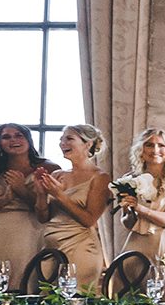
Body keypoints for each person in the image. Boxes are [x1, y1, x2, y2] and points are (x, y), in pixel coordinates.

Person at [0, 122, 58, 286]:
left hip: (33, 233)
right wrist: (4, 199)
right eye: (6, 137)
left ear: (28, 139)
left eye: (18, 135)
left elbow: (52, 211)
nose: (13, 140)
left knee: (28, 281)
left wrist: (22, 190)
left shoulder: (48, 168)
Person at [33, 123, 111, 287]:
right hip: (50, 247)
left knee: (75, 297)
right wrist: (41, 194)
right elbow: (43, 218)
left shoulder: (100, 177)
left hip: (80, 247)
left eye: (69, 139)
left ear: (88, 144)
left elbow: (89, 220)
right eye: (61, 140)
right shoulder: (57, 174)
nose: (63, 143)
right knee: (45, 299)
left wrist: (59, 195)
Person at [114, 128, 165, 264]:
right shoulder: (130, 179)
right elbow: (128, 223)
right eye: (149, 145)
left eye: (161, 145)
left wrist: (140, 208)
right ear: (141, 150)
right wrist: (129, 210)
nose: (155, 150)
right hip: (138, 241)